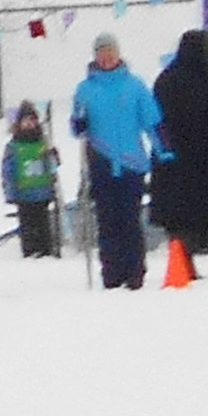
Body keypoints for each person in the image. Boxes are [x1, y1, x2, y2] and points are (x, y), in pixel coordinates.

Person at [67, 36, 157, 290]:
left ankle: (134, 270)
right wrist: (79, 123)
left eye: (111, 52)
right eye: (102, 53)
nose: (106, 58)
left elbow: (151, 119)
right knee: (107, 219)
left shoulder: (135, 85)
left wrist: (164, 149)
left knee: (130, 217)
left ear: (118, 54)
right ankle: (112, 270)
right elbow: (76, 125)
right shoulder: (85, 89)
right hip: (101, 160)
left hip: (131, 162)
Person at [147, 28, 208, 266]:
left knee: (178, 216)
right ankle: (184, 260)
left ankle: (182, 259)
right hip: (193, 159)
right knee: (190, 213)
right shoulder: (201, 82)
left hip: (171, 158)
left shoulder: (166, 79)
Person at [0, 102, 64, 265]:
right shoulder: (14, 146)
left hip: (42, 191)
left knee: (43, 223)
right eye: (25, 121)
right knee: (27, 224)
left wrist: (53, 157)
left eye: (32, 120)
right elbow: (8, 171)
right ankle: (30, 252)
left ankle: (45, 250)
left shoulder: (43, 144)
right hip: (23, 193)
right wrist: (10, 191)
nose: (29, 124)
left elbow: (53, 166)